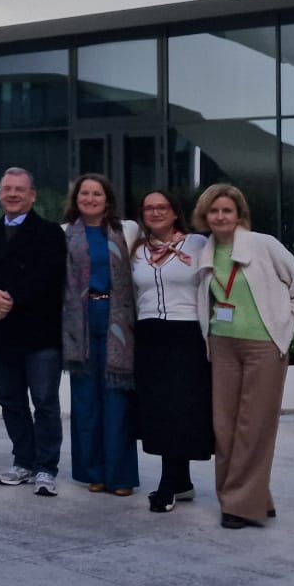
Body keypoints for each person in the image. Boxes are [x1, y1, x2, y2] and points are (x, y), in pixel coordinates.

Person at [194, 183, 294, 530]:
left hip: (263, 345)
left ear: (239, 215)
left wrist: (287, 319)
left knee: (254, 426)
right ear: (206, 216)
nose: (220, 217)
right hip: (222, 344)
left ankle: (239, 505)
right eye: (214, 211)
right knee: (225, 426)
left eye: (227, 211)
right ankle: (253, 495)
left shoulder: (263, 245)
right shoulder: (206, 250)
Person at [0, 167, 67, 498]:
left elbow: (49, 276)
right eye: (6, 188)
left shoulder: (50, 233)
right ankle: (23, 461)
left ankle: (46, 467)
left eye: (19, 189)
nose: (12, 194)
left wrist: (9, 299)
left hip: (40, 334)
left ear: (32, 195)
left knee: (44, 402)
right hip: (2, 334)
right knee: (10, 400)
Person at [130, 190, 212, 513]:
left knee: (181, 407)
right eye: (148, 207)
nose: (155, 212)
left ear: (175, 212)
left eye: (161, 206)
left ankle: (168, 484)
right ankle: (182, 481)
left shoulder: (197, 245)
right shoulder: (137, 250)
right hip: (150, 333)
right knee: (158, 407)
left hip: (186, 332)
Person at [62, 173, 140, 496]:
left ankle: (120, 476)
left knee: (116, 400)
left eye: (97, 194)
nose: (90, 199)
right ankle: (94, 472)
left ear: (107, 199)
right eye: (85, 193)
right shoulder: (65, 233)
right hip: (79, 324)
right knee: (85, 403)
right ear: (76, 198)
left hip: (117, 323)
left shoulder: (127, 230)